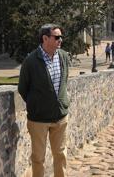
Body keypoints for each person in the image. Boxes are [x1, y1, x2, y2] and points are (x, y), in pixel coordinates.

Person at [18, 24, 70, 177]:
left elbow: (64, 82)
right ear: (45, 38)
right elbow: (23, 88)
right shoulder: (31, 61)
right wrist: (37, 105)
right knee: (38, 158)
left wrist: (61, 102)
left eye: (61, 37)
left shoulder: (63, 57)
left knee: (61, 154)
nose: (60, 40)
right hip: (38, 119)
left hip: (60, 117)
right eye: (57, 37)